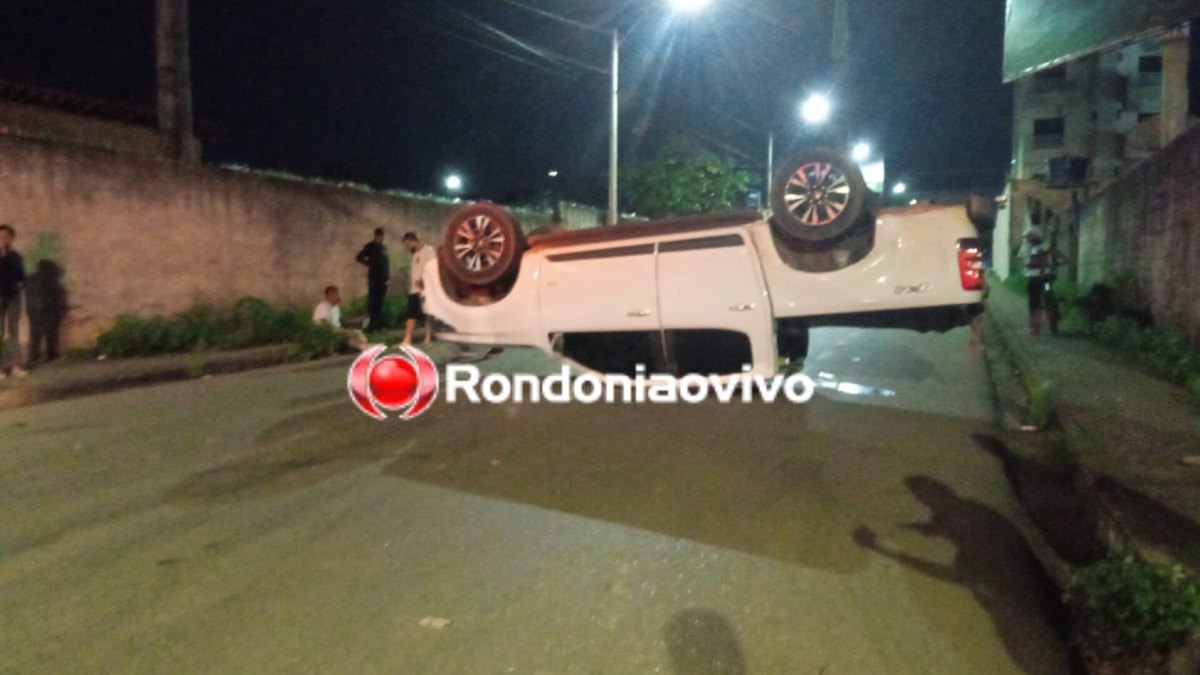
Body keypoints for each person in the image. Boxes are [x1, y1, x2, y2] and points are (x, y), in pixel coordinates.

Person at [1019, 214, 1055, 337]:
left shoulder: (1029, 248)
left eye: (1029, 236)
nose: (1027, 239)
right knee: (1048, 292)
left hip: (1034, 279)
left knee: (1034, 302)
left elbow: (1023, 261)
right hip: (1046, 278)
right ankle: (1050, 315)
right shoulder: (1046, 245)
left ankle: (1035, 327)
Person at [0, 224, 28, 378]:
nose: (2, 239)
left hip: (13, 298)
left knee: (14, 332)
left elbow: (21, 276)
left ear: (11, 238)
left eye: (5, 236)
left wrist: (19, 284)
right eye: (0, 236)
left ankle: (16, 365)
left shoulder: (15, 256)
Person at [26, 259, 68, 363]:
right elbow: (60, 296)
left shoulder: (31, 280)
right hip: (48, 310)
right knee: (51, 333)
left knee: (36, 335)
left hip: (35, 310)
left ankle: (34, 356)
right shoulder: (52, 281)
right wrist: (62, 310)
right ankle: (51, 354)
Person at [401, 232, 437, 346]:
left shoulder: (429, 251)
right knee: (411, 314)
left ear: (413, 241)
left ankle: (427, 338)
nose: (407, 247)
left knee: (427, 314)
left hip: (426, 288)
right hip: (414, 289)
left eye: (407, 244)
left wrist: (424, 280)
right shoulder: (415, 254)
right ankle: (407, 340)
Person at [312, 286, 369, 352]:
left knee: (357, 333)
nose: (339, 296)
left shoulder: (334, 308)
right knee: (354, 336)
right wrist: (343, 331)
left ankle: (363, 347)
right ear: (330, 296)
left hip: (335, 333)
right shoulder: (322, 307)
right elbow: (324, 324)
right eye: (337, 294)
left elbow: (341, 321)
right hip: (326, 336)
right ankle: (362, 348)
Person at [355, 228, 390, 330]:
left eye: (382, 236)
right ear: (376, 236)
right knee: (373, 302)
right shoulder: (370, 246)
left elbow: (386, 263)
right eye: (380, 236)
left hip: (383, 280)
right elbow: (359, 257)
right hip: (374, 279)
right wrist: (370, 264)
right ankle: (372, 324)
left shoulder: (383, 247)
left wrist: (387, 276)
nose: (381, 238)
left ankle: (378, 324)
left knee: (380, 303)